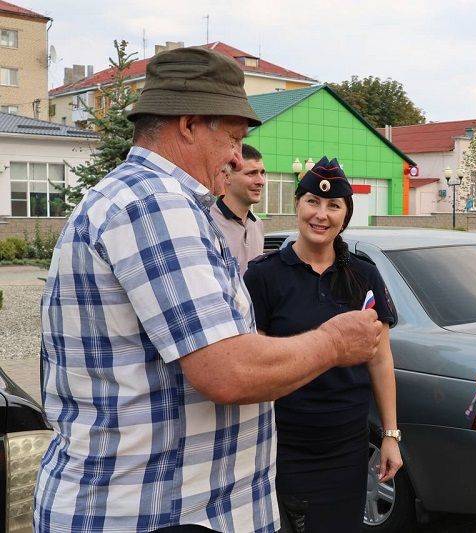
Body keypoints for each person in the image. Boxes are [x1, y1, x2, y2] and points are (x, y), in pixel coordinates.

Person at [35, 47, 382, 533]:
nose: (239, 157)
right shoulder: (154, 206)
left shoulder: (139, 199)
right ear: (189, 124)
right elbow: (228, 371)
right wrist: (333, 343)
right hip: (154, 511)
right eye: (235, 139)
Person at [244, 156, 402, 532]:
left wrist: (391, 436)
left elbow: (381, 361)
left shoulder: (363, 275)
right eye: (313, 201)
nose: (321, 214)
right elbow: (253, 362)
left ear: (345, 217)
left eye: (334, 206)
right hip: (283, 444)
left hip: (346, 445)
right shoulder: (264, 276)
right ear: (297, 204)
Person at [210, 143, 266, 274]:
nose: (261, 181)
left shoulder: (257, 224)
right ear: (227, 176)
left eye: (262, 173)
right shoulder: (208, 222)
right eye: (252, 173)